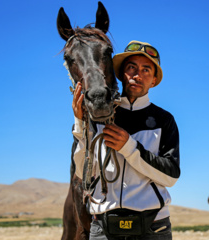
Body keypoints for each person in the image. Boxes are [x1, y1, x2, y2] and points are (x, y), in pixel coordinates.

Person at [72, 40, 180, 240]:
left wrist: (129, 147)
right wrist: (80, 122)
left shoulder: (164, 120)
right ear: (121, 73)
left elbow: (171, 177)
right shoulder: (98, 117)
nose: (137, 75)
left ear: (154, 80)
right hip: (103, 229)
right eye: (131, 68)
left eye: (146, 70)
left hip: (153, 227)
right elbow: (82, 172)